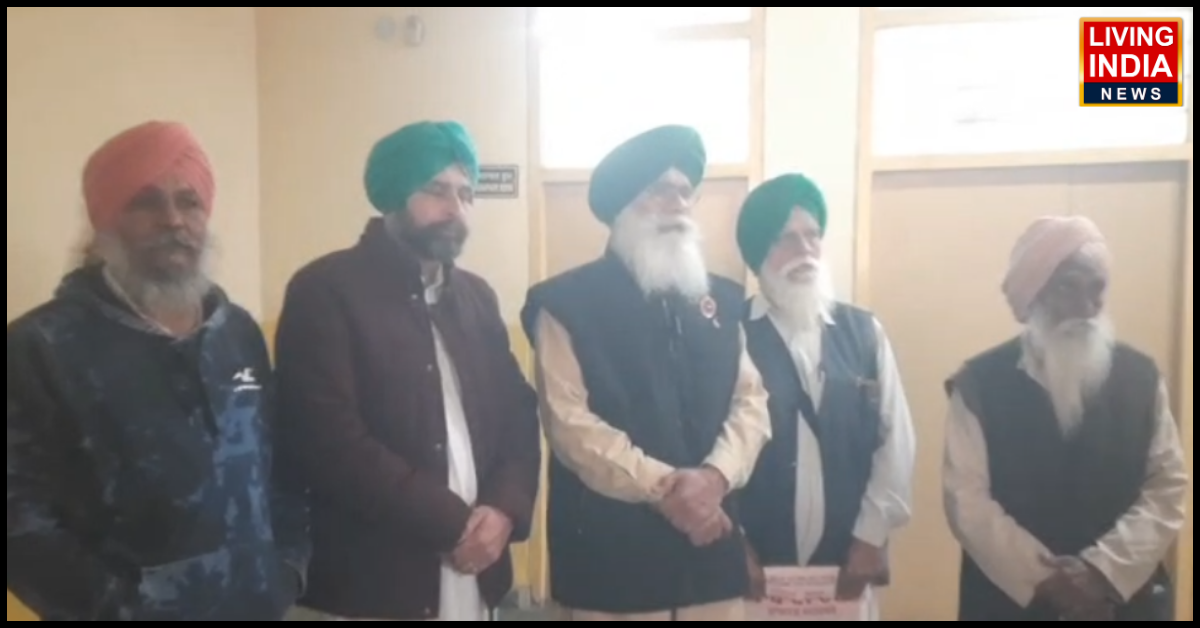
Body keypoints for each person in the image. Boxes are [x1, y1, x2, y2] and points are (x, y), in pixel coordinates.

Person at [6, 121, 309, 620]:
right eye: (145, 202)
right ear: (105, 221)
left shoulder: (237, 333)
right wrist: (121, 607)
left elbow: (283, 464)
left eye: (189, 202)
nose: (172, 220)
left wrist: (287, 570)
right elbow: (18, 518)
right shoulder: (39, 346)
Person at [274, 121, 541, 621]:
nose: (455, 209)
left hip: (476, 570)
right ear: (394, 194)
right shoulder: (325, 290)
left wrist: (505, 509)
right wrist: (453, 523)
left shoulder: (476, 298)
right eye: (436, 191)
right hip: (374, 581)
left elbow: (518, 413)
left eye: (466, 194)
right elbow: (329, 440)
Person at [520, 125, 771, 620]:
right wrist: (668, 490)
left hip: (710, 551)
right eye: (660, 190)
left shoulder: (720, 300)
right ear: (622, 205)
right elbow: (570, 424)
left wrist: (715, 479)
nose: (677, 204)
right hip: (613, 560)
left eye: (685, 191)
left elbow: (751, 401)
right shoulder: (566, 303)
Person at [942, 215, 1188, 620]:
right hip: (1009, 601)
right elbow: (966, 499)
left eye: (1097, 288)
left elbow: (1166, 485)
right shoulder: (978, 383)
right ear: (1034, 293)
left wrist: (1101, 571)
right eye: (1067, 287)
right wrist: (1047, 579)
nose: (1086, 307)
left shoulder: (1141, 377)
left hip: (1123, 597)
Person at [734, 174, 915, 617]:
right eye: (787, 239)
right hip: (754, 577)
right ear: (757, 252)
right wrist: (732, 542)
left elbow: (897, 440)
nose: (805, 251)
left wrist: (871, 535)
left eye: (812, 236)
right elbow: (707, 444)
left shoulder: (864, 332)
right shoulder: (731, 334)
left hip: (846, 572)